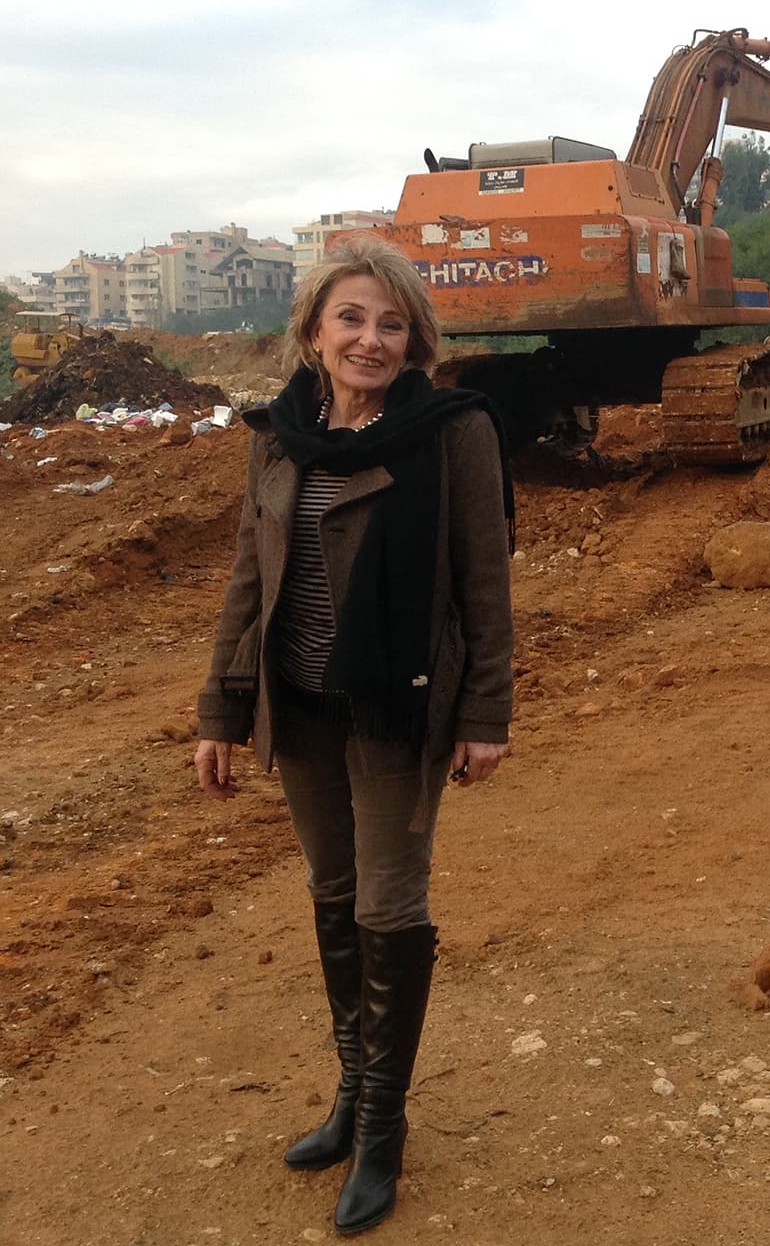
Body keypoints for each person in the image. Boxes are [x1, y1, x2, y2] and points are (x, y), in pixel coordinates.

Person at [193, 234, 514, 1236]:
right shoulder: (278, 435)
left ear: (415, 340)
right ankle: (349, 1091)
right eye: (351, 318)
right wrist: (221, 709)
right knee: (333, 894)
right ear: (313, 332)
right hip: (300, 703)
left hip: (396, 706)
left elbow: (484, 582)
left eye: (392, 323)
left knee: (388, 904)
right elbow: (249, 577)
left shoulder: (453, 433)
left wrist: (485, 715)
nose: (370, 339)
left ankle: (382, 1128)